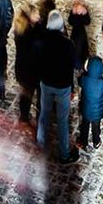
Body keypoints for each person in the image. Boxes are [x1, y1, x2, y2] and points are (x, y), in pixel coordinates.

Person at [35, 10, 78, 163]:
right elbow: (75, 64)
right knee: (62, 120)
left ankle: (40, 144)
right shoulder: (68, 44)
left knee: (44, 113)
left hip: (46, 83)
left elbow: (37, 62)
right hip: (63, 86)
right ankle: (64, 153)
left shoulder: (41, 42)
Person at [13, 4, 42, 125]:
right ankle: (33, 117)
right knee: (33, 93)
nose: (39, 16)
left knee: (26, 92)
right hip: (31, 69)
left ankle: (24, 116)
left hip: (21, 67)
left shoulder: (20, 29)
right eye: (36, 14)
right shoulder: (31, 33)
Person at [77, 55, 103, 150]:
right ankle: (96, 141)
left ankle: (83, 141)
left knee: (84, 126)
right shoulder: (102, 83)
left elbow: (79, 82)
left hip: (86, 109)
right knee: (96, 128)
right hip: (97, 112)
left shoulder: (84, 79)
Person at [68, 0, 93, 73]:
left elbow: (87, 22)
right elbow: (71, 21)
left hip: (79, 34)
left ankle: (79, 64)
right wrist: (73, 12)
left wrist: (84, 12)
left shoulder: (83, 10)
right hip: (77, 33)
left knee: (80, 48)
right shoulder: (75, 10)